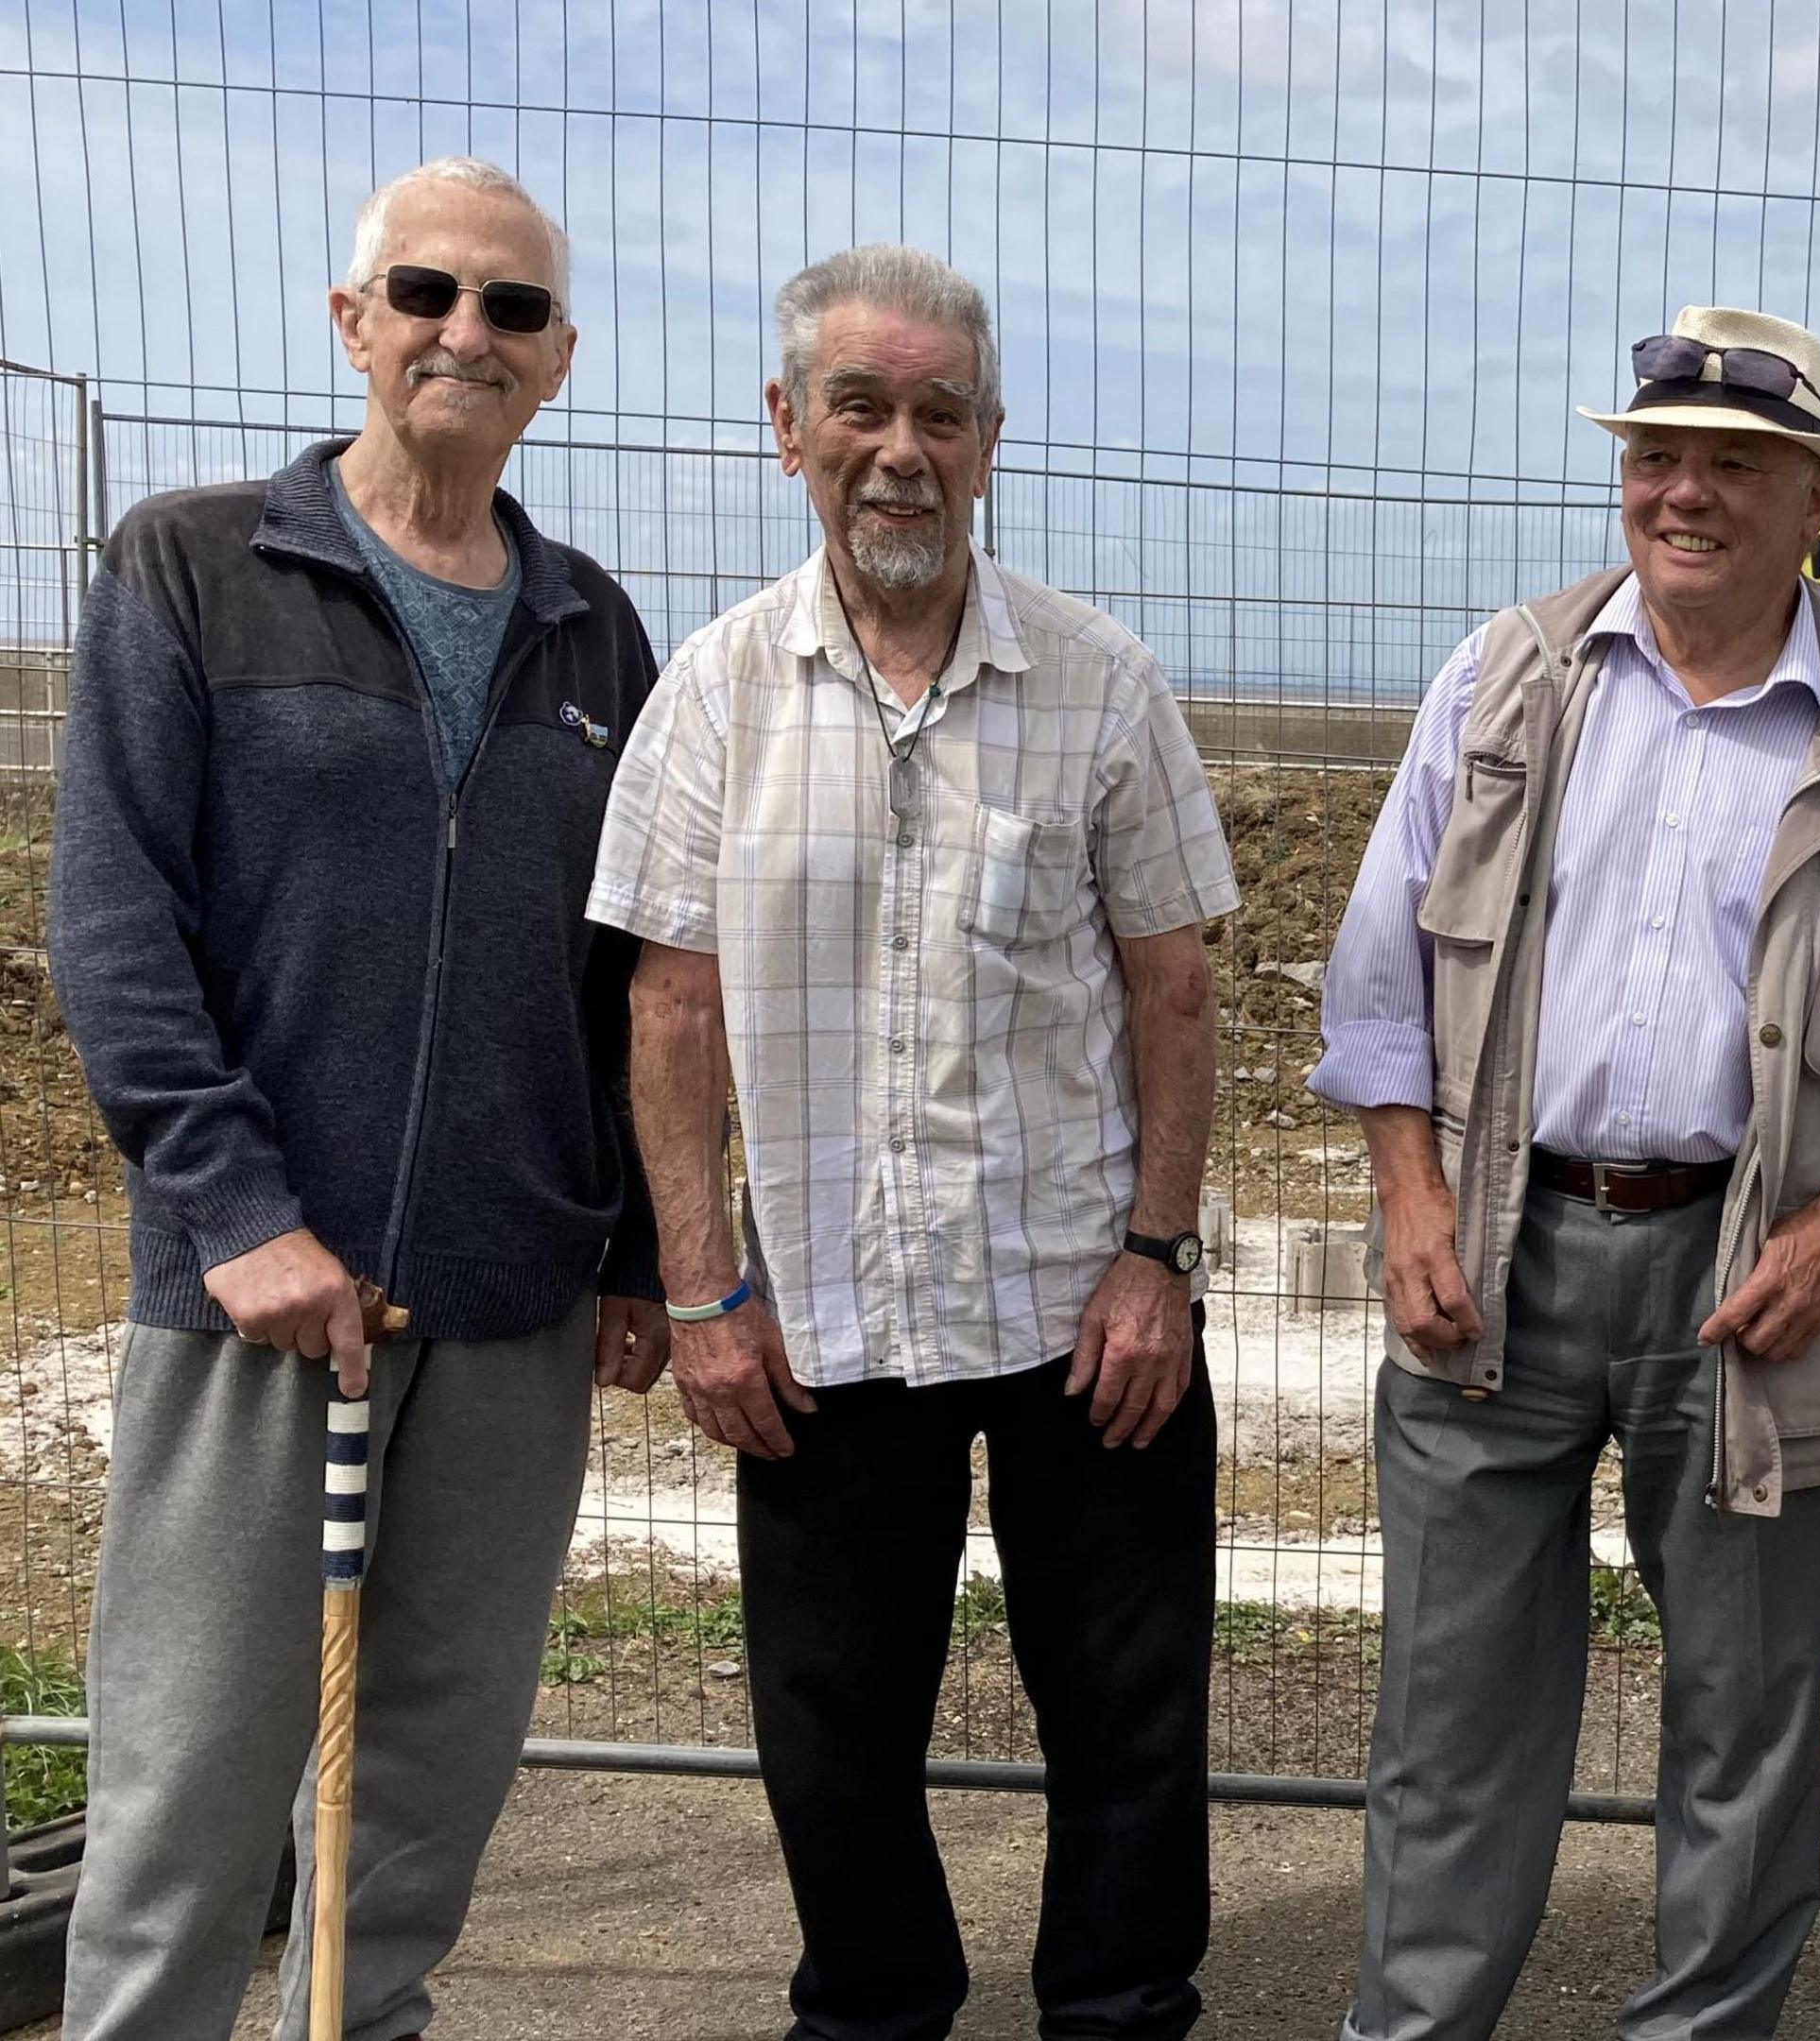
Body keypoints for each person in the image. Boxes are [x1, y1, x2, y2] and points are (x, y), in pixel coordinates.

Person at [1310, 304, 1820, 2041]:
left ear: (1815, 500)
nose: (1685, 493)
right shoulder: (1503, 679)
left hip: (1751, 1279)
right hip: (1492, 1245)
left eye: (1736, 465)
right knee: (1451, 1712)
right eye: (1656, 458)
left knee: (1745, 1718)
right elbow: (1380, 967)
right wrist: (1409, 1199)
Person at [588, 245, 1241, 2041]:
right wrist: (704, 1287)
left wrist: (1157, 1258)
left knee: (1130, 1716)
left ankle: (1118, 2013)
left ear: (990, 441)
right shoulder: (715, 692)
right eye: (859, 409)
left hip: (1078, 1316)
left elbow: (1177, 992)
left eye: (937, 414)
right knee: (830, 1729)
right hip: (820, 1324)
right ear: (785, 427)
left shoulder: (1102, 687)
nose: (899, 450)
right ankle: (875, 2017)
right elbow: (666, 1012)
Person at [49, 155, 669, 2040]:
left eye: (511, 308)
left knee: (422, 1787)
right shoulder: (194, 564)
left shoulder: (592, 633)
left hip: (504, 1309)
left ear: (557, 363)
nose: (463, 333)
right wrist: (236, 1217)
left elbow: (622, 981)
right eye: (425, 293)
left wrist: (631, 1248)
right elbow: (115, 922)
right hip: (258, 1306)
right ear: (353, 324)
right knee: (188, 1784)